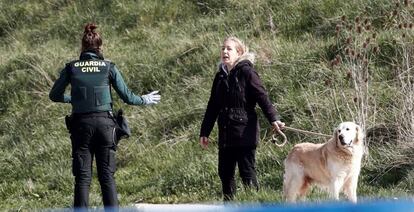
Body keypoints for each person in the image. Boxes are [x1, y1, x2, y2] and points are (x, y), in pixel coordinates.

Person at [49, 23, 161, 209]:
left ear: (82, 47)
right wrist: (144, 99)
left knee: (83, 178)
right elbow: (127, 97)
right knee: (107, 176)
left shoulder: (71, 67)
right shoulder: (108, 66)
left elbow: (54, 95)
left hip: (81, 127)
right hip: (105, 126)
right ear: (100, 47)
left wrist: (74, 99)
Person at [199, 36, 285, 201]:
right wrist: (205, 131)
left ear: (239, 53)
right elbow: (212, 106)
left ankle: (255, 206)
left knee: (247, 173)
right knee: (225, 173)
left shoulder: (247, 72)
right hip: (225, 133)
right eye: (223, 48)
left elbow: (262, 97)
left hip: (245, 132)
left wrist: (274, 118)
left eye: (229, 49)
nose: (224, 51)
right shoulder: (220, 76)